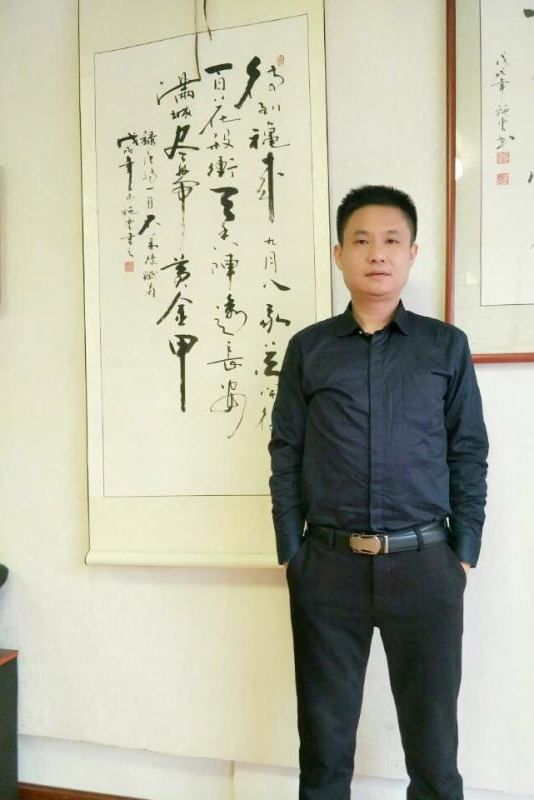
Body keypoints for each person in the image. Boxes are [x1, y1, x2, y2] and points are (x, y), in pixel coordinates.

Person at [268, 185, 488, 800]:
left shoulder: (445, 347)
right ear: (339, 253)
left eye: (392, 240)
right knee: (324, 747)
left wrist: (462, 551)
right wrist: (292, 550)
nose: (377, 253)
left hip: (426, 565)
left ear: (413, 253)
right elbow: (286, 451)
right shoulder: (309, 349)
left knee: (434, 753)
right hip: (327, 567)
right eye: (361, 240)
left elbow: (468, 450)